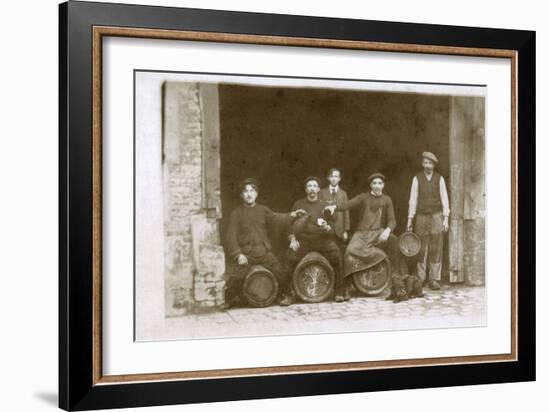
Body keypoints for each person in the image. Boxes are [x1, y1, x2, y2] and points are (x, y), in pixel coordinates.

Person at [224, 178, 305, 309]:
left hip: (263, 252)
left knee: (281, 273)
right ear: (241, 195)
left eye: (252, 191)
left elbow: (277, 219)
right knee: (236, 278)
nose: (249, 194)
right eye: (246, 191)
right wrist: (238, 255)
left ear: (256, 194)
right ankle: (230, 299)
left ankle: (284, 295)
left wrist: (293, 214)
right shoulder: (236, 213)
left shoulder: (263, 210)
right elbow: (230, 237)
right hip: (247, 254)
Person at [325, 173, 407, 287]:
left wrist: (387, 231)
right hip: (362, 233)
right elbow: (348, 204)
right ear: (370, 185)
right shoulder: (364, 197)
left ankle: (398, 280)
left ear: (383, 185)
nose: (377, 186)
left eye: (379, 183)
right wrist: (335, 207)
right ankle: (347, 286)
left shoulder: (387, 199)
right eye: (374, 183)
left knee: (393, 240)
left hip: (378, 232)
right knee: (349, 251)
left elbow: (392, 220)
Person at [286, 176, 346, 303]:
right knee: (290, 257)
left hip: (322, 241)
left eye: (314, 186)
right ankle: (289, 294)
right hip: (304, 241)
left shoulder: (325, 205)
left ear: (318, 189)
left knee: (337, 255)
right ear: (305, 189)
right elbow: (290, 225)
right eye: (309, 186)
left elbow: (332, 228)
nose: (312, 189)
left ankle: (339, 292)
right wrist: (292, 239)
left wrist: (327, 228)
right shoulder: (298, 204)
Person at [406, 151, 450, 290]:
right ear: (422, 163)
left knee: (436, 247)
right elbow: (412, 200)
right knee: (421, 247)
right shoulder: (417, 179)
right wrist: (410, 219)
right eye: (425, 162)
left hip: (437, 216)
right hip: (421, 217)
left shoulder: (439, 178)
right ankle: (420, 278)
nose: (427, 165)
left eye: (430, 163)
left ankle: (434, 279)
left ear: (434, 164)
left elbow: (445, 199)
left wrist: (446, 218)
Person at [319, 168, 351, 250]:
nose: (334, 179)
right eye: (331, 176)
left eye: (336, 176)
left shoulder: (343, 194)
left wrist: (346, 231)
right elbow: (319, 210)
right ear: (328, 178)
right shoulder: (321, 193)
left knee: (340, 251)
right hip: (326, 229)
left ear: (339, 178)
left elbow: (346, 212)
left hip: (340, 230)